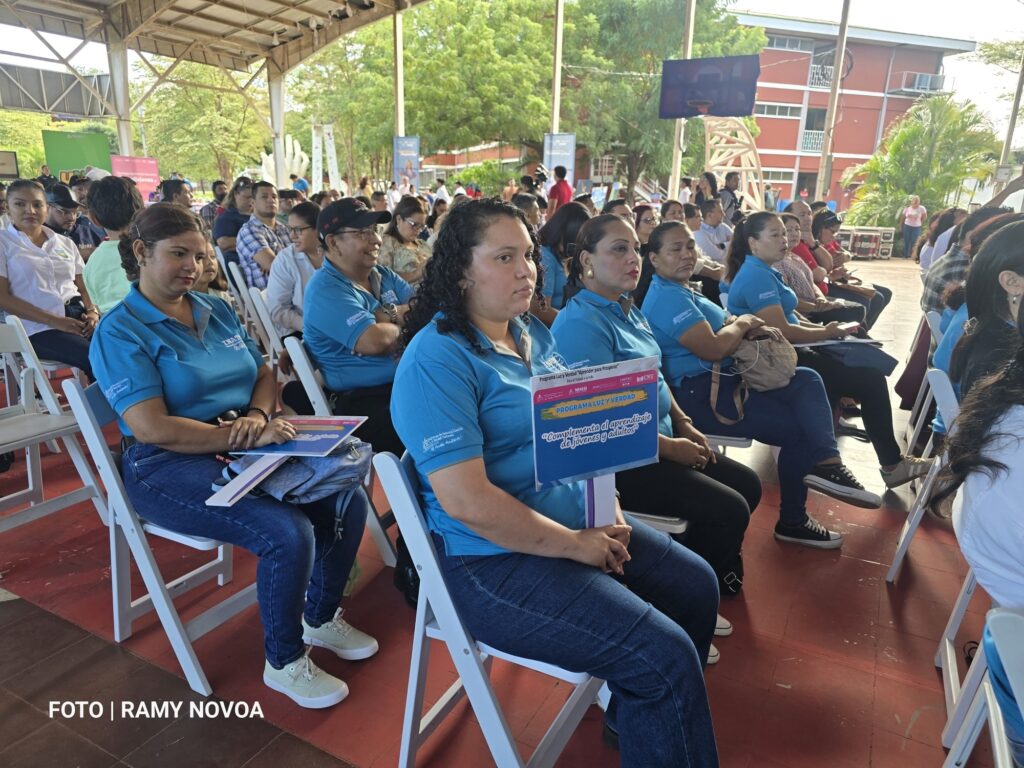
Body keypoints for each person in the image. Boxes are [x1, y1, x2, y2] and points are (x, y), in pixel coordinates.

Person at [391, 198, 720, 766]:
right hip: (491, 561)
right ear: (462, 270)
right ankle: (651, 700)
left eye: (527, 255)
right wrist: (575, 544)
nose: (526, 270)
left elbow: (582, 434)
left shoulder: (529, 334)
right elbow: (467, 501)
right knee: (663, 658)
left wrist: (609, 506)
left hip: (574, 519)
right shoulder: (437, 361)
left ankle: (638, 717)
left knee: (696, 587)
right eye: (504, 257)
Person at [89, 203, 375, 709]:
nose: (193, 267)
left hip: (242, 440)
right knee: (287, 531)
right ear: (140, 253)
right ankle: (284, 661)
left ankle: (320, 615)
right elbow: (152, 427)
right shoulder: (121, 330)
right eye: (179, 254)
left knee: (345, 496)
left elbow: (263, 373)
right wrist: (241, 437)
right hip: (164, 464)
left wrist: (259, 417)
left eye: (200, 256)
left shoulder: (214, 307)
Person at [553, 214, 761, 598]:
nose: (633, 258)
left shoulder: (627, 310)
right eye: (619, 249)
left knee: (748, 484)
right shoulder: (580, 324)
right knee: (730, 507)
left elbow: (657, 375)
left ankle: (704, 572)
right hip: (620, 460)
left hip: (661, 439)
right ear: (586, 260)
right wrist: (670, 449)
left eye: (635, 248)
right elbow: (597, 420)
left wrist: (684, 423)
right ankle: (692, 590)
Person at [642, 221, 880, 548]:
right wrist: (742, 324)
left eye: (689, 246)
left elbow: (724, 328)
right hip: (702, 396)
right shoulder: (666, 298)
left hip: (728, 380)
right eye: (675, 249)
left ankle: (828, 462)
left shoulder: (683, 289)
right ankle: (794, 520)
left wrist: (738, 326)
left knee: (807, 378)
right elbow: (713, 348)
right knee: (797, 429)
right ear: (654, 258)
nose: (687, 254)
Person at [724, 212, 932, 490]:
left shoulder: (765, 270)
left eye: (784, 233)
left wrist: (825, 329)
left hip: (791, 349)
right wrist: (826, 333)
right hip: (775, 359)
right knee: (869, 380)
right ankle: (888, 464)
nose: (784, 239)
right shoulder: (755, 277)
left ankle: (842, 453)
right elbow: (782, 330)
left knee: (862, 359)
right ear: (753, 242)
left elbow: (792, 318)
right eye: (775, 234)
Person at [933, 269, 1024, 765]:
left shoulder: (1001, 361)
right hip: (1011, 621)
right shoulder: (994, 347)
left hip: (1004, 608)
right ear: (1011, 281)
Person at [303, 199, 413, 454]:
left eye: (374, 230)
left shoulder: (383, 274)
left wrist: (389, 315)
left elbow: (430, 309)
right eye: (363, 233)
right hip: (366, 402)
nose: (376, 240)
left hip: (406, 384)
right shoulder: (325, 289)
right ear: (333, 243)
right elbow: (375, 341)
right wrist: (407, 325)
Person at [0, 179, 97, 376]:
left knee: (124, 347)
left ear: (47, 208)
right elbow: (3, 298)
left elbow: (83, 285)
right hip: (37, 327)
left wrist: (92, 311)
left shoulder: (64, 243)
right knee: (95, 356)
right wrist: (55, 321)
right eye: (20, 204)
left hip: (79, 317)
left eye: (37, 204)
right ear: (8, 208)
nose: (30, 210)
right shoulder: (4, 243)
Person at [775, 213, 864, 326]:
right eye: (788, 230)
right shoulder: (777, 262)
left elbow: (811, 282)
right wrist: (817, 307)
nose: (794, 233)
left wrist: (821, 299)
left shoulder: (794, 256)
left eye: (797, 229)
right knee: (856, 310)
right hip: (805, 310)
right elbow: (786, 299)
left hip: (816, 301)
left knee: (858, 310)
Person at [811, 209, 892, 330]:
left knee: (885, 293)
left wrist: (845, 256)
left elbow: (847, 253)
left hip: (839, 279)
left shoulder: (828, 241)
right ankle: (857, 331)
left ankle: (862, 330)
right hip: (827, 284)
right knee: (869, 300)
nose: (833, 237)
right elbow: (816, 275)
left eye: (836, 233)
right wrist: (832, 275)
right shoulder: (812, 245)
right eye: (832, 232)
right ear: (820, 227)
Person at [82, 176, 144, 313]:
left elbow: (98, 308)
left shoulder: (92, 264)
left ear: (93, 219)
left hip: (113, 324)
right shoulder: (156, 249)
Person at [266, 201, 322, 339]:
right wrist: (312, 328)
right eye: (290, 229)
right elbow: (278, 310)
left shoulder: (336, 252)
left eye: (298, 230)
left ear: (318, 229)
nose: (292, 236)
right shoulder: (285, 260)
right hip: (299, 330)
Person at [537, 200, 590, 312]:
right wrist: (569, 320)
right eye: (576, 239)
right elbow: (542, 308)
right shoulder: (546, 257)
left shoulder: (562, 255)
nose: (578, 245)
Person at [236, 181, 289, 289]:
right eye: (264, 197)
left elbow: (306, 256)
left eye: (274, 197)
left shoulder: (285, 228)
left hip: (297, 288)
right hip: (272, 295)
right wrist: (276, 263)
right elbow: (275, 266)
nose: (271, 200)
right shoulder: (248, 231)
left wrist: (278, 261)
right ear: (253, 202)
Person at [379, 196, 432, 285]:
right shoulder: (387, 242)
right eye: (414, 224)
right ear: (399, 219)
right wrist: (415, 274)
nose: (418, 230)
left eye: (422, 226)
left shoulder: (423, 244)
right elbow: (383, 279)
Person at [212, 178, 255, 263]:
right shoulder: (227, 217)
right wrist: (256, 240)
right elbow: (224, 243)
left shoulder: (259, 215)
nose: (251, 201)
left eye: (254, 198)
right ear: (235, 194)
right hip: (243, 261)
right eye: (247, 197)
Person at [693, 198, 732, 265]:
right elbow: (717, 256)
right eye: (720, 212)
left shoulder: (723, 227)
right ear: (709, 215)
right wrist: (730, 244)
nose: (724, 214)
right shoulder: (698, 231)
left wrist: (723, 245)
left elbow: (738, 244)